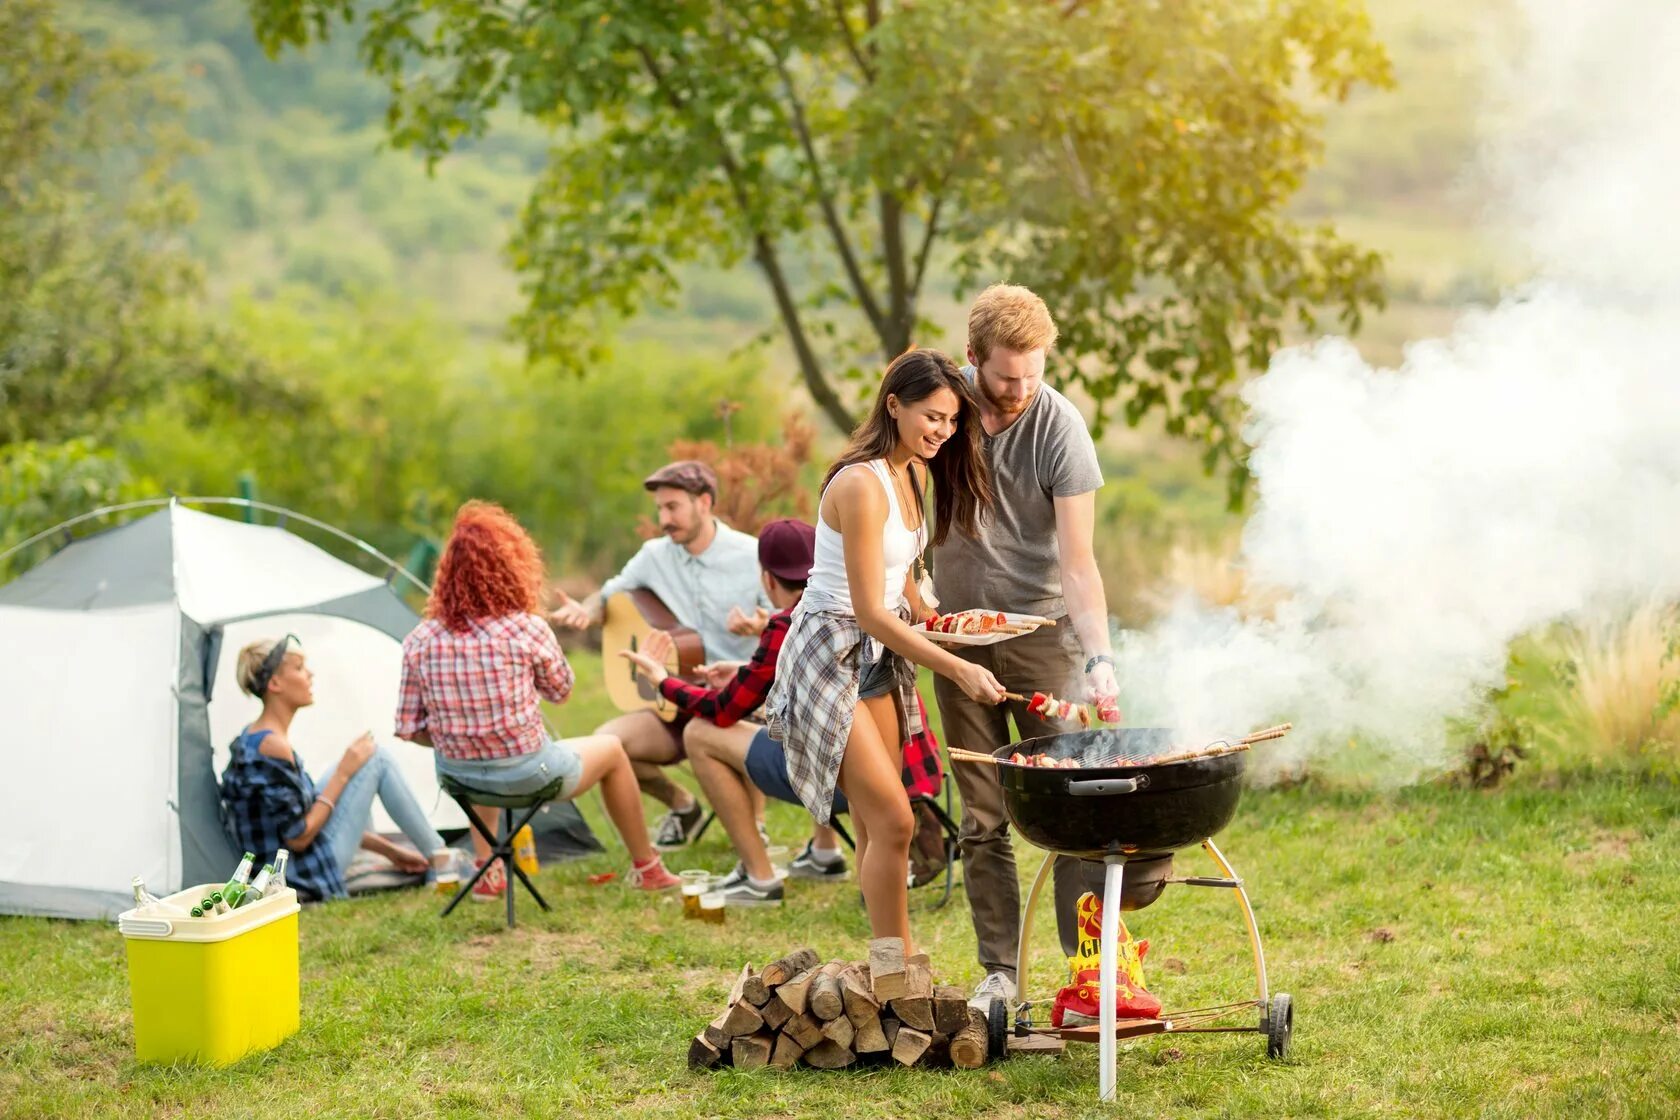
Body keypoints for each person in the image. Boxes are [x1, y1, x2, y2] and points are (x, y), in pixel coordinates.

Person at [765, 348, 1005, 955]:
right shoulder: (860, 484)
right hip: (830, 654)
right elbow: (868, 608)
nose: (942, 432)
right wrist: (956, 666)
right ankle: (896, 966)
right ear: (894, 405)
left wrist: (937, 620)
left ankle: (885, 960)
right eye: (932, 417)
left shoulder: (912, 473)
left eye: (952, 421)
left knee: (881, 822)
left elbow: (897, 576)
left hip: (877, 657)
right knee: (897, 821)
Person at [929, 284, 1123, 1011]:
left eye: (1033, 374)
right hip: (957, 641)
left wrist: (1098, 657)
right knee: (982, 818)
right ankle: (1001, 976)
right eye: (1006, 376)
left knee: (1071, 807)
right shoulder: (941, 416)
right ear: (972, 357)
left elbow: (1078, 561)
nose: (1019, 390)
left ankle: (1089, 970)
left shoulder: (1060, 426)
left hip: (1045, 637)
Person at [396, 500, 681, 900]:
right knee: (614, 750)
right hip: (530, 775)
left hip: (458, 777)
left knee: (478, 750)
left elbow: (409, 729)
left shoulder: (420, 639)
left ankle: (489, 869)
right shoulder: (527, 629)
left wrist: (458, 733)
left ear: (447, 574)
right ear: (512, 567)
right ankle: (648, 868)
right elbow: (562, 693)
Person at [550, 460, 768, 850]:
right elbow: (610, 595)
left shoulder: (751, 554)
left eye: (673, 507)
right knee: (607, 745)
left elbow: (785, 621)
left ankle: (754, 826)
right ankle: (682, 805)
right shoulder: (654, 555)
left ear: (704, 503)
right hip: (674, 697)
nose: (664, 518)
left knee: (733, 735)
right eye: (660, 509)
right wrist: (586, 611)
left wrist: (758, 625)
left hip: (736, 698)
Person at [219, 635, 449, 903]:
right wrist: (344, 773)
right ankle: (443, 860)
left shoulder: (256, 736)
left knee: (360, 761)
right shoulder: (272, 746)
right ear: (275, 683)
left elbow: (303, 814)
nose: (310, 674)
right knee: (375, 760)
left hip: (288, 861)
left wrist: (390, 851)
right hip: (297, 872)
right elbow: (299, 838)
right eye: (299, 668)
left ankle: (437, 856)